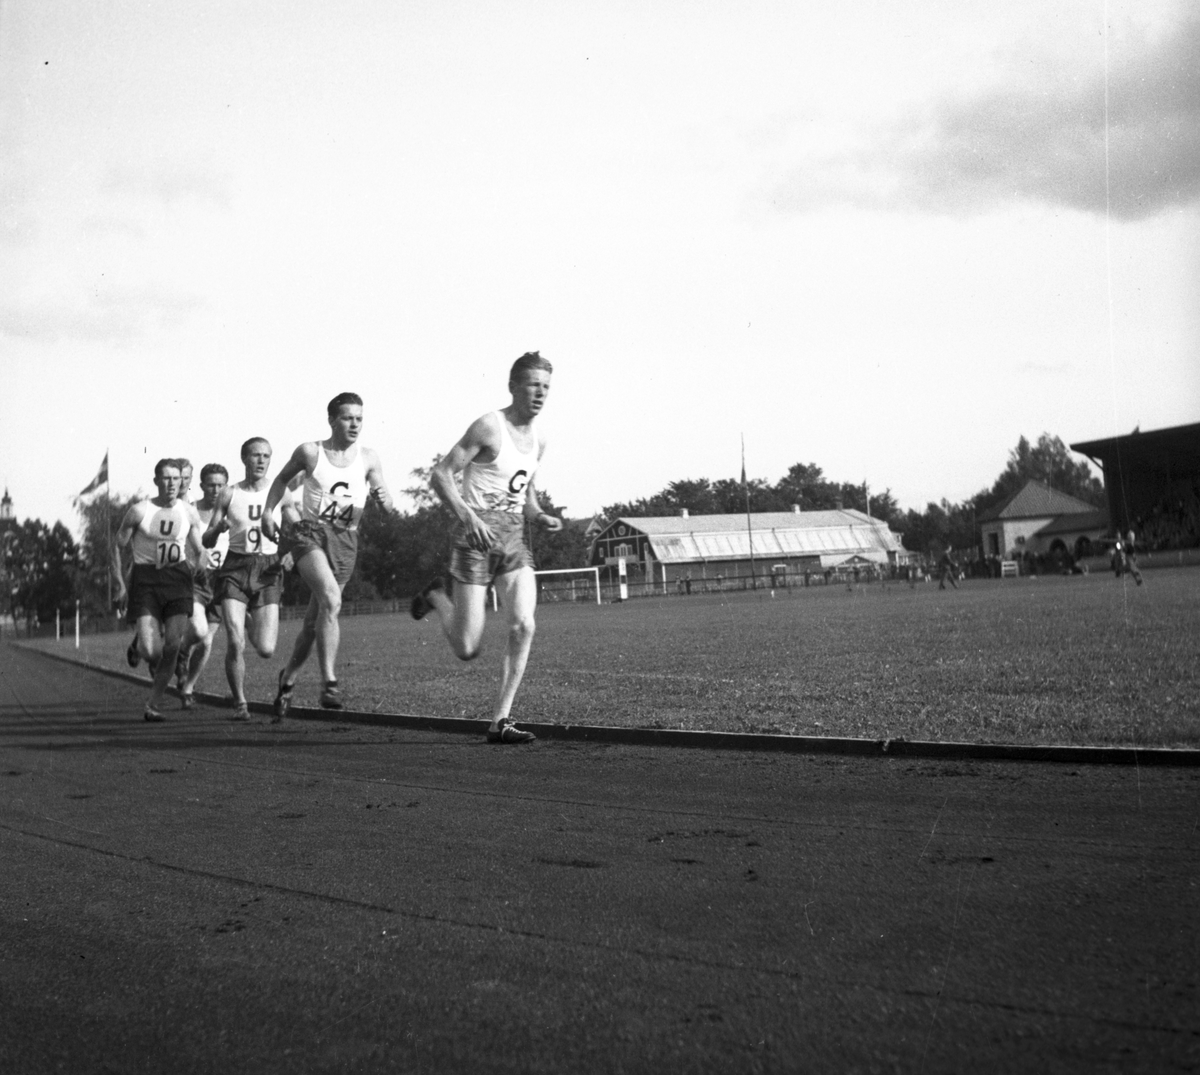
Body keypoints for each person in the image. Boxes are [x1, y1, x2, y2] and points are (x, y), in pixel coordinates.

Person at [411, 351, 562, 744]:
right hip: (475, 536)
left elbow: (526, 490)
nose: (540, 393)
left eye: (546, 387)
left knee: (524, 625)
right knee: (466, 648)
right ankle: (436, 597)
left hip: (513, 537)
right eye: (532, 385)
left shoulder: (540, 440)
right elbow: (441, 475)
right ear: (513, 386)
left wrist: (539, 515)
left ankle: (501, 719)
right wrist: (468, 517)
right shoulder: (488, 427)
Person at [262, 393, 394, 716]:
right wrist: (268, 512)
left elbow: (388, 507)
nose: (355, 424)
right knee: (332, 600)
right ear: (332, 420)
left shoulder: (369, 458)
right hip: (309, 534)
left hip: (346, 540)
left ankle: (287, 679)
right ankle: (329, 683)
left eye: (359, 418)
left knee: (313, 623)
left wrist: (383, 500)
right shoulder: (311, 452)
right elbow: (280, 480)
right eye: (348, 418)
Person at [205, 438, 297, 721]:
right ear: (244, 459)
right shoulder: (229, 494)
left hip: (268, 569)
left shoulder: (281, 492)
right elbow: (207, 540)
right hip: (235, 567)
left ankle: (248, 621)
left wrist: (292, 553)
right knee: (235, 642)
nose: (261, 461)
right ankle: (240, 702)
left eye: (266, 456)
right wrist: (218, 529)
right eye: (255, 455)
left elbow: (298, 528)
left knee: (266, 649)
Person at [112, 459, 206, 721]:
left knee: (173, 646)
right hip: (146, 581)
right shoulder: (139, 511)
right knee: (152, 651)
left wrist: (198, 565)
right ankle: (141, 647)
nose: (172, 483)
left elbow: (198, 548)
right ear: (156, 481)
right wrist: (120, 583)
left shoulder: (189, 512)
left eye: (176, 478)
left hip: (178, 581)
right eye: (166, 478)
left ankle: (153, 704)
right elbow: (117, 545)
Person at [175, 462, 230, 707]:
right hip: (196, 578)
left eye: (220, 485)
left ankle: (188, 687)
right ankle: (182, 651)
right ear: (202, 486)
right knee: (198, 630)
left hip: (221, 581)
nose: (216, 490)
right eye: (211, 485)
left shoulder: (232, 511)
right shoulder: (190, 510)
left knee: (207, 641)